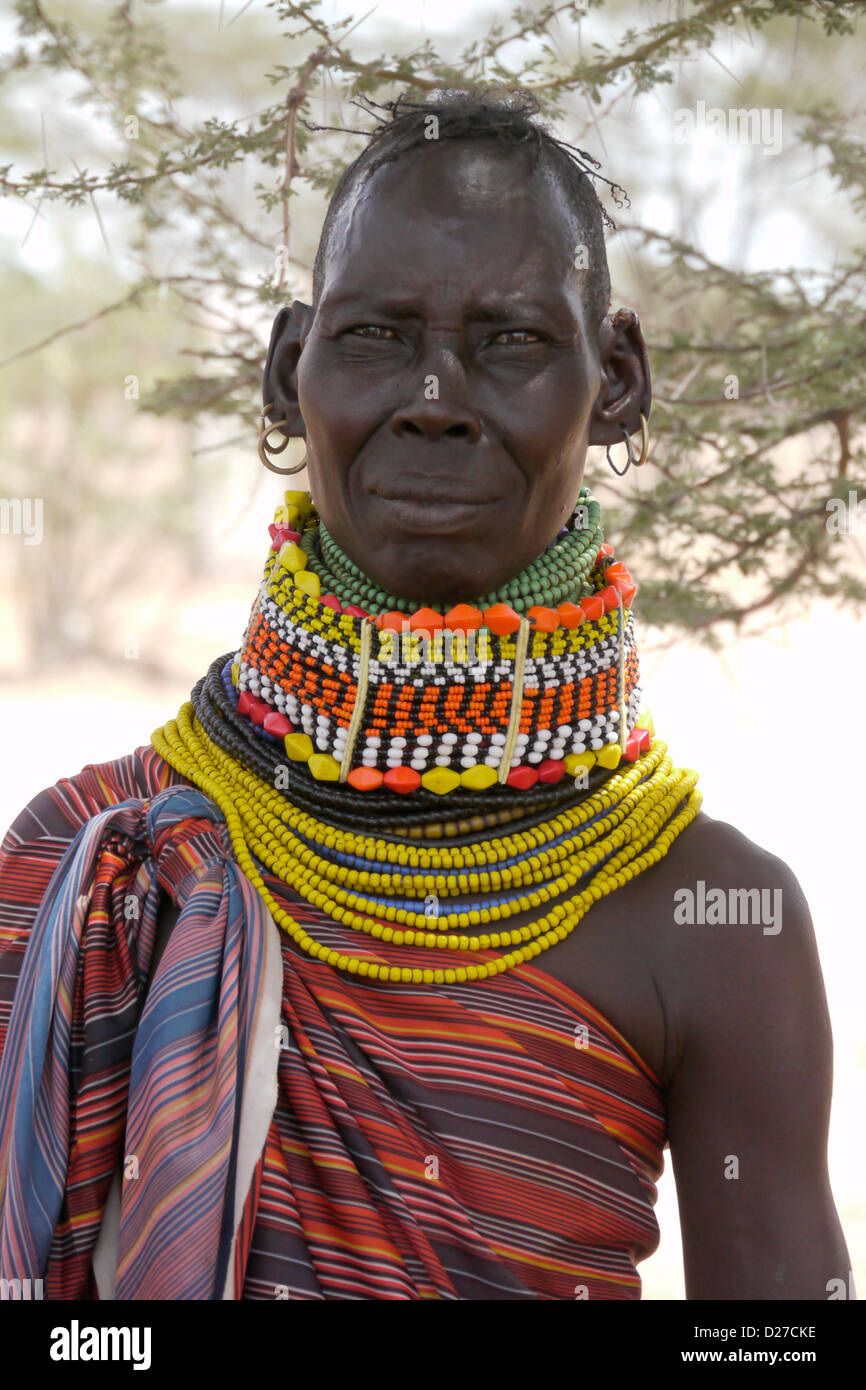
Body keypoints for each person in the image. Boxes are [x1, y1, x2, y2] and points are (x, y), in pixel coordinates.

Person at [0, 88, 850, 1301]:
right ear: (290, 368)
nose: (436, 399)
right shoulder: (91, 863)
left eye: (507, 342)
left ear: (614, 380)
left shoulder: (716, 924)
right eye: (375, 336)